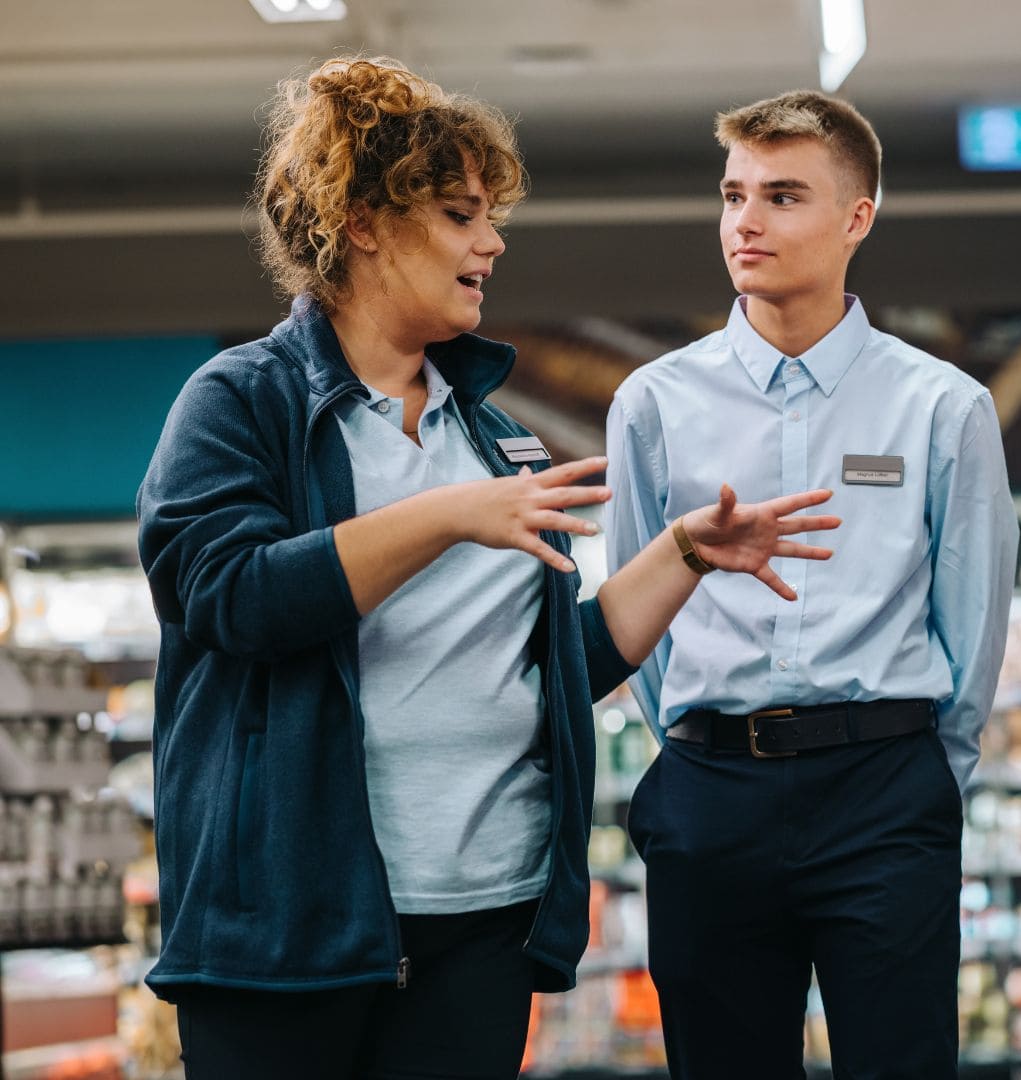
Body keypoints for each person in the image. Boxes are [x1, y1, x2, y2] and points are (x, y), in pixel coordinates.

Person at [136, 57, 839, 1080]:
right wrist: (447, 517)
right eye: (462, 214)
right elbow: (227, 596)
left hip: (480, 923)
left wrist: (685, 555)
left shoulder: (495, 439)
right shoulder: (244, 403)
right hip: (289, 932)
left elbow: (554, 668)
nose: (492, 242)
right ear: (365, 221)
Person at [606, 90, 1018, 1078]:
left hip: (884, 792)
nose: (744, 222)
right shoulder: (654, 406)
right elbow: (634, 620)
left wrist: (920, 779)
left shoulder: (942, 409)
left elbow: (974, 622)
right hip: (710, 793)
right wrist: (704, 751)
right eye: (733, 194)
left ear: (856, 219)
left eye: (783, 195)